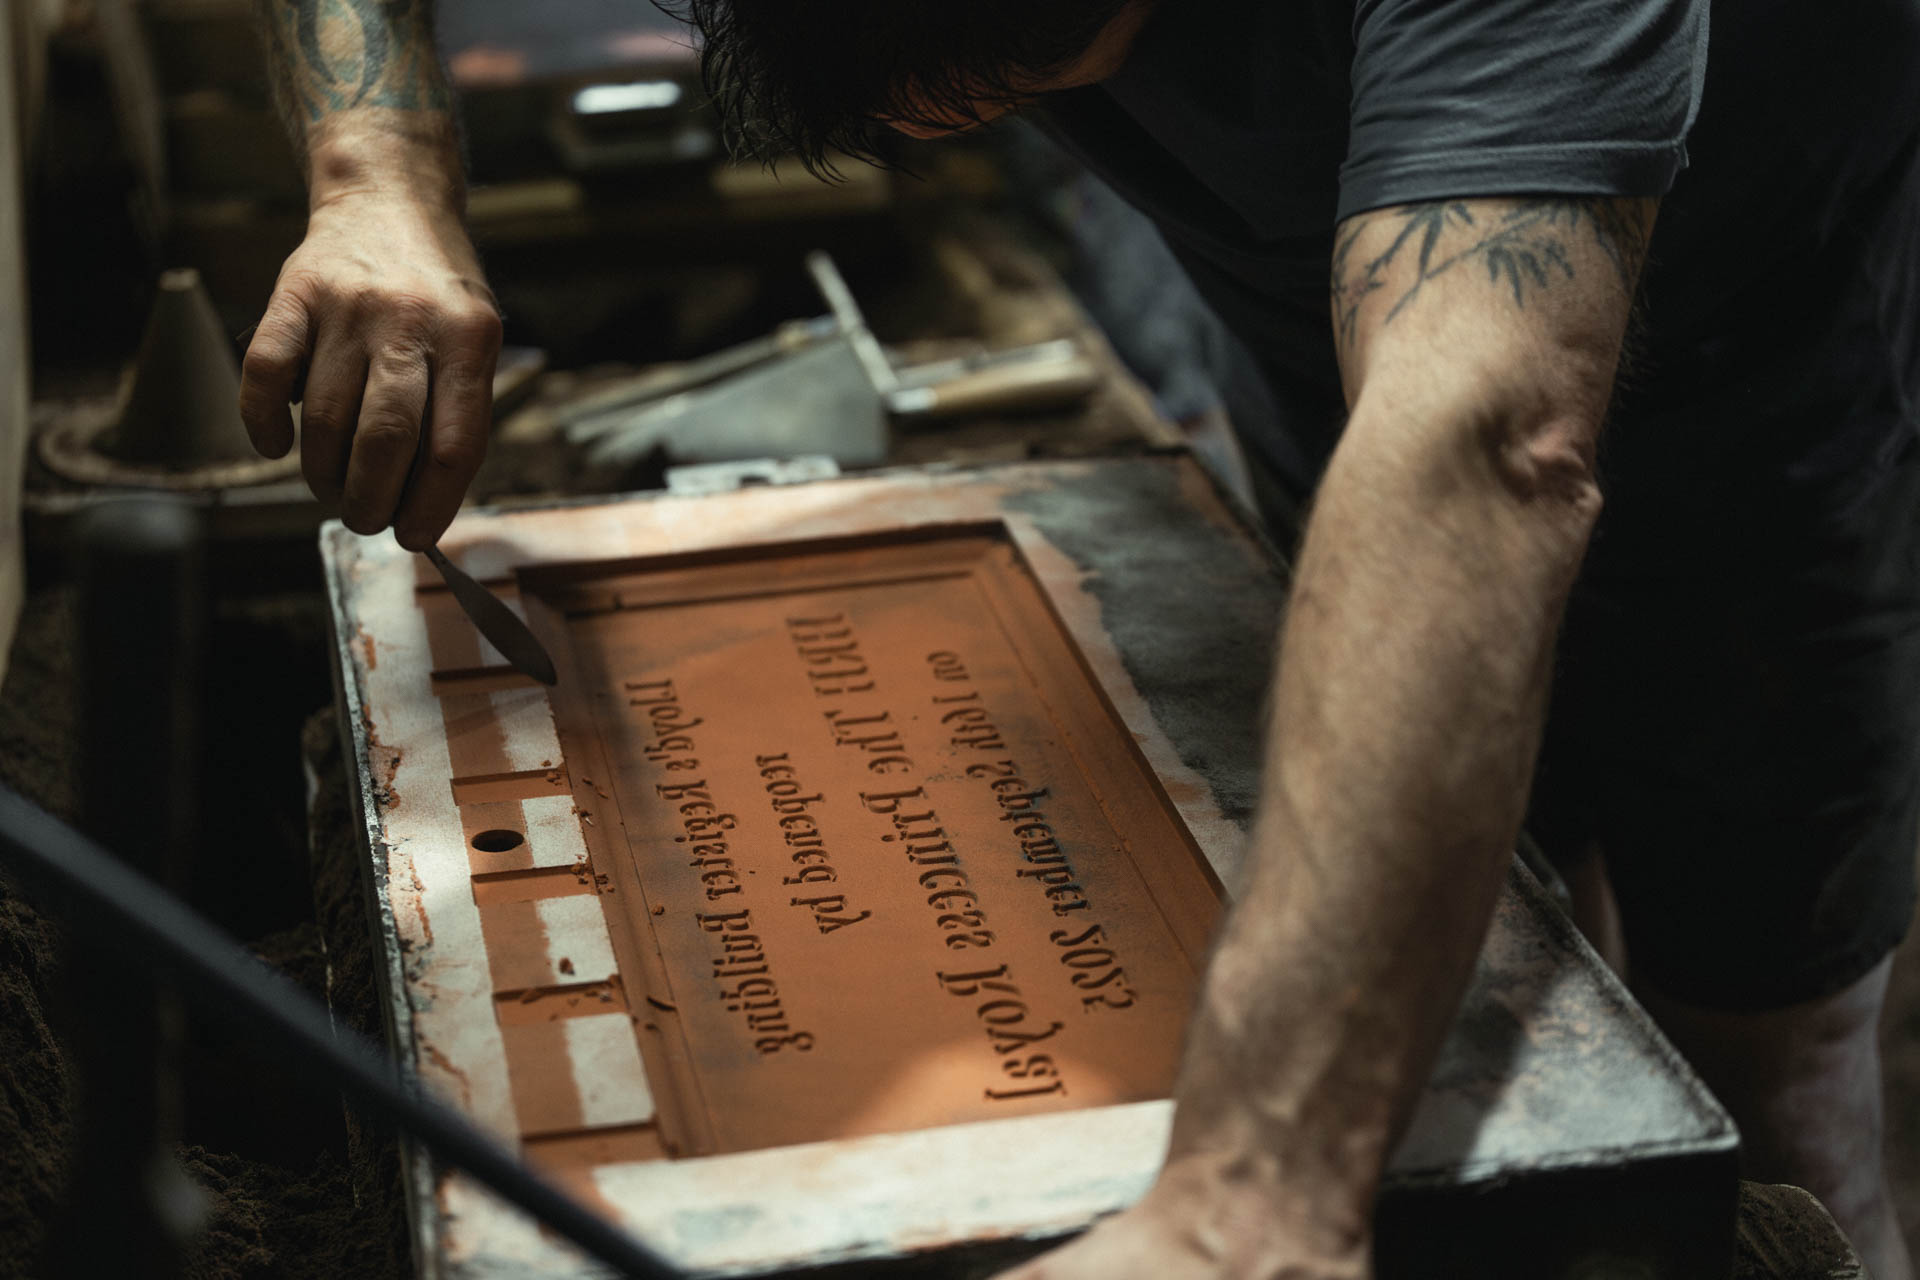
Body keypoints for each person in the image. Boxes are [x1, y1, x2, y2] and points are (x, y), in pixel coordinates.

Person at [240, 1, 1920, 1275]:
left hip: (1747, 346)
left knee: (1757, 1062)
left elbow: (1488, 447)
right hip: (1321, 293)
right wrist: (374, 170)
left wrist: (1248, 1196)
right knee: (1477, 964)